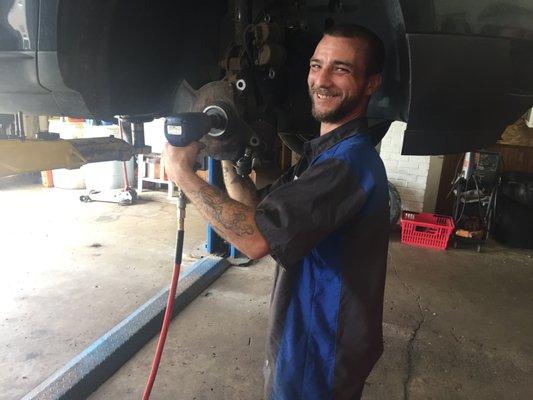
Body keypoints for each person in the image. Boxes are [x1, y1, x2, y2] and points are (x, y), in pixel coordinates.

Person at [163, 23, 389, 400]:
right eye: (317, 65)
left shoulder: (345, 166)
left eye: (342, 69)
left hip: (319, 348)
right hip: (313, 337)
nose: (323, 79)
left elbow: (255, 239)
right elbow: (264, 213)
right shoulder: (328, 153)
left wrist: (181, 173)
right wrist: (232, 159)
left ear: (371, 83)